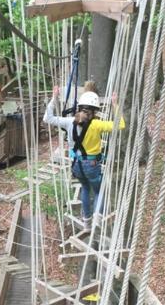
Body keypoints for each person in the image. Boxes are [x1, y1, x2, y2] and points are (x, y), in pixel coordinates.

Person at [43, 81, 125, 233]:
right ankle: (98, 219)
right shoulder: (97, 125)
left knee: (85, 188)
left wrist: (54, 98)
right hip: (92, 165)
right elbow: (120, 125)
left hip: (76, 165)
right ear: (95, 111)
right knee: (99, 191)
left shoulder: (69, 122)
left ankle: (87, 223)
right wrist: (115, 104)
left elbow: (48, 118)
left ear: (80, 107)